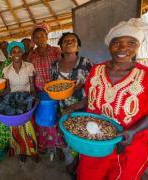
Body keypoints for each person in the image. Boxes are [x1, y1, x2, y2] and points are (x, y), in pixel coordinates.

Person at [68, 18, 148, 180]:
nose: (123, 48)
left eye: (131, 43)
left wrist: (133, 131)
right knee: (88, 174)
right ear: (109, 45)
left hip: (130, 144)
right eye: (117, 42)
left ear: (138, 47)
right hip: (95, 141)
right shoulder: (96, 70)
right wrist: (73, 107)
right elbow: (90, 98)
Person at [50, 32, 93, 172]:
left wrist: (82, 88)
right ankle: (70, 155)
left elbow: (94, 87)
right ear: (60, 47)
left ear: (78, 46)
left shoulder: (86, 63)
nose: (69, 42)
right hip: (62, 106)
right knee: (67, 132)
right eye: (65, 41)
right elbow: (53, 86)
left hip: (81, 106)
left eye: (73, 40)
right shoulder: (55, 65)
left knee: (80, 134)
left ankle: (76, 161)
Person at [29, 23, 63, 157]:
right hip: (39, 91)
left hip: (55, 90)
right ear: (34, 39)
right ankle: (43, 144)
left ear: (47, 37)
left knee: (54, 118)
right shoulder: (32, 54)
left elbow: (63, 68)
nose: (40, 39)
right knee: (41, 120)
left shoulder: (55, 51)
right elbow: (27, 69)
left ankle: (58, 144)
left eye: (43, 36)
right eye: (37, 37)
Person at [2, 41, 38, 163]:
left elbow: (32, 87)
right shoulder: (6, 70)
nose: (16, 53)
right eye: (13, 51)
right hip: (13, 100)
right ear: (10, 54)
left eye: (19, 51)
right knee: (16, 128)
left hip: (26, 98)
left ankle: (32, 151)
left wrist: (34, 99)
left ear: (22, 52)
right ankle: (21, 151)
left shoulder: (29, 66)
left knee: (29, 128)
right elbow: (7, 89)